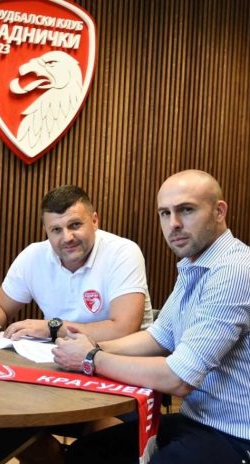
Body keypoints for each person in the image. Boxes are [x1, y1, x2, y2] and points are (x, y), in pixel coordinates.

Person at [53, 170, 250, 463]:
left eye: (186, 210)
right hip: (195, 421)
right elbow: (158, 337)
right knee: (85, 454)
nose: (174, 224)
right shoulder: (195, 264)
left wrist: (91, 358)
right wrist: (93, 345)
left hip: (235, 436)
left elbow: (179, 378)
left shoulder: (234, 270)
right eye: (165, 213)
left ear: (219, 211)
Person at [0, 185, 153, 343]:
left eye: (75, 225)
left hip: (121, 360)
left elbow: (124, 329)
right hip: (58, 358)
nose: (67, 238)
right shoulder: (33, 256)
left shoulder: (123, 252)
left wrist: (53, 328)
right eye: (56, 230)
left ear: (94, 221)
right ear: (46, 231)